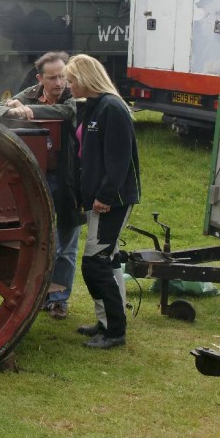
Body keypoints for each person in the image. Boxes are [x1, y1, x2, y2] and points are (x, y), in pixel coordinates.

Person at [0, 51, 81, 320]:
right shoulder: (29, 93)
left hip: (68, 179)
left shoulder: (73, 95)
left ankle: (59, 299)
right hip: (36, 177)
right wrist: (13, 108)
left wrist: (29, 111)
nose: (59, 83)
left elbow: (67, 111)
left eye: (62, 76)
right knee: (38, 238)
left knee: (67, 242)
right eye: (52, 78)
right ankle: (37, 294)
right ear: (40, 78)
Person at [64, 54, 140, 350]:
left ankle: (114, 332)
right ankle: (107, 321)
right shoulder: (93, 106)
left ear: (85, 78)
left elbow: (119, 160)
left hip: (111, 201)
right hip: (98, 199)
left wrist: (104, 197)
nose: (69, 86)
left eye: (71, 80)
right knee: (107, 262)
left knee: (95, 264)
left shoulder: (113, 108)